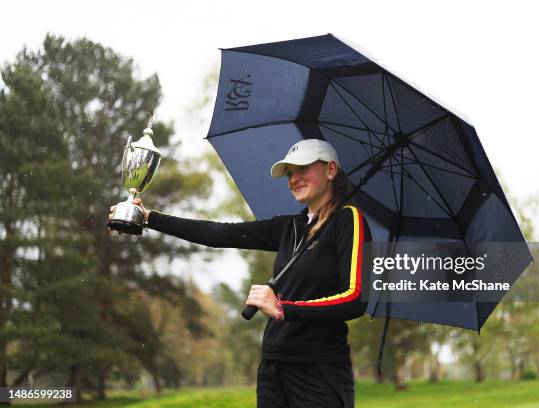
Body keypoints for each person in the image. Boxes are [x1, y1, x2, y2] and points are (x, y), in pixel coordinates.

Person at [110, 139, 371, 407]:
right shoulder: (289, 227)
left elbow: (355, 298)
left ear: (330, 170)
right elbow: (219, 234)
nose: (294, 178)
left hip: (319, 373)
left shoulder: (348, 220)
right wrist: (150, 218)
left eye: (303, 168)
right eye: (290, 172)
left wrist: (284, 310)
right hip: (273, 368)